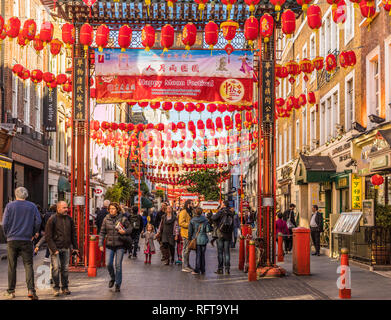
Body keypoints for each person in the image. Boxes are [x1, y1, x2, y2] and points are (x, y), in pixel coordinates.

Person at [2, 187, 41, 300]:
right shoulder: (32, 206)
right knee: (28, 265)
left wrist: (7, 235)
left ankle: (11, 291)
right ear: (26, 195)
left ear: (15, 195)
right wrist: (33, 233)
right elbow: (38, 221)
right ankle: (31, 290)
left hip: (12, 239)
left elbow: (4, 223)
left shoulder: (10, 206)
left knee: (11, 266)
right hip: (26, 239)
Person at [45, 201, 79, 296]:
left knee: (65, 269)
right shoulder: (52, 219)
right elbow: (48, 236)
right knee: (56, 268)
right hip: (55, 248)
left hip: (66, 247)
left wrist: (75, 247)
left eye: (66, 207)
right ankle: (56, 288)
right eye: (64, 208)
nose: (66, 209)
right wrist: (53, 249)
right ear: (58, 208)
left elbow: (73, 234)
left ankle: (65, 287)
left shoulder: (69, 219)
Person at [99, 202, 132, 292]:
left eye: (113, 208)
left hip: (120, 245)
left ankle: (118, 284)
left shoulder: (123, 218)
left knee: (118, 265)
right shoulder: (106, 219)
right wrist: (100, 244)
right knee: (108, 264)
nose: (112, 210)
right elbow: (102, 232)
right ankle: (113, 278)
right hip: (109, 245)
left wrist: (124, 232)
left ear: (117, 209)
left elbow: (130, 229)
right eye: (110, 209)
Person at [211, 200, 234, 275]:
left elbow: (213, 218)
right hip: (228, 235)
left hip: (220, 234)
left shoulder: (221, 211)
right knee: (227, 252)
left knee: (220, 252)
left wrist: (219, 210)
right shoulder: (231, 212)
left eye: (221, 204)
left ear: (223, 205)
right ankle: (227, 270)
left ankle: (220, 269)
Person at [188, 207, 212, 275]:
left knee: (198, 255)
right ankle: (203, 269)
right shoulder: (205, 220)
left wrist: (190, 239)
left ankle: (197, 269)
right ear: (201, 212)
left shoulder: (192, 220)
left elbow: (190, 231)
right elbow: (208, 230)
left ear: (195, 212)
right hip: (204, 239)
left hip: (196, 239)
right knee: (203, 255)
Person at [178, 200, 194, 272]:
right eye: (192, 204)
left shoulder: (190, 212)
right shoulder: (183, 212)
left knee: (188, 250)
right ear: (188, 204)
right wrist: (190, 225)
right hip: (185, 233)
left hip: (190, 234)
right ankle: (184, 266)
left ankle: (187, 264)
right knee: (185, 250)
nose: (193, 205)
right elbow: (181, 223)